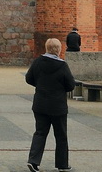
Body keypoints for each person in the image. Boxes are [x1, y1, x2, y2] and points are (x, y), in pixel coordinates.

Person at [25, 36, 76, 172]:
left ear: (46, 48)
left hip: (40, 104)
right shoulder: (62, 65)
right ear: (59, 49)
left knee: (40, 133)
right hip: (57, 106)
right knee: (61, 136)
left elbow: (28, 78)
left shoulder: (38, 62)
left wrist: (40, 85)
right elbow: (71, 85)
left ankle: (33, 161)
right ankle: (62, 164)